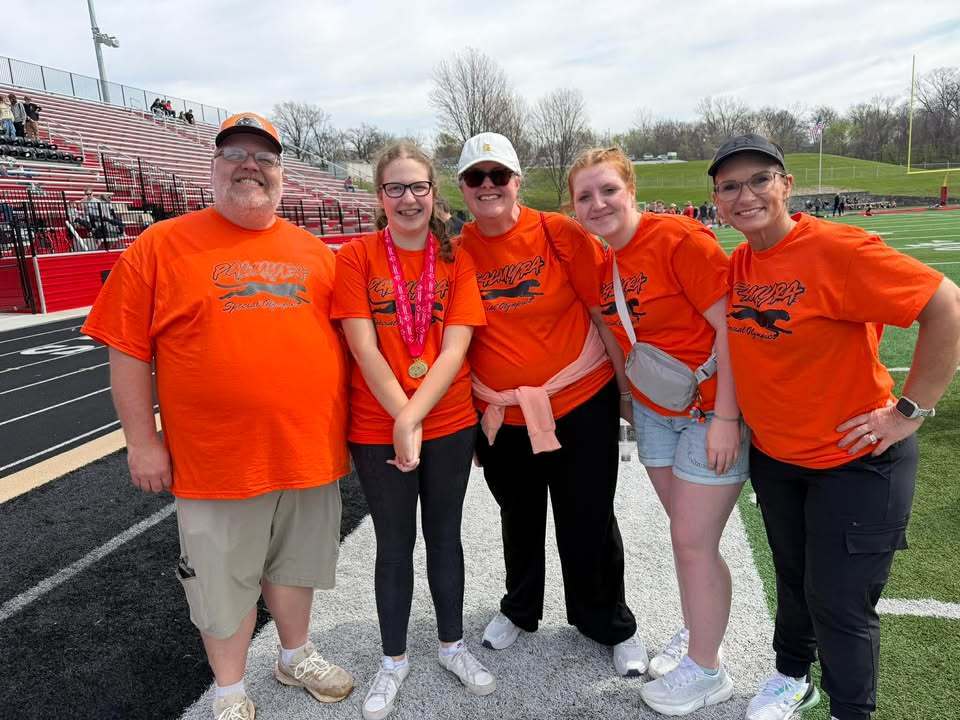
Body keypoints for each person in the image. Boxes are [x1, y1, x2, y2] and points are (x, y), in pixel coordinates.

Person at [81, 112, 355, 720]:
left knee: (295, 566)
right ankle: (230, 690)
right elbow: (127, 350)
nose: (249, 166)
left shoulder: (318, 254)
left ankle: (294, 655)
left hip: (308, 451)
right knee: (219, 581)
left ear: (283, 176)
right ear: (212, 168)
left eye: (264, 158)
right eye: (235, 154)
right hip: (215, 458)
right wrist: (141, 441)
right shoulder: (161, 245)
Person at [709, 133, 960, 720]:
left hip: (857, 462)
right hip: (778, 458)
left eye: (758, 180)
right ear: (717, 200)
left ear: (786, 186)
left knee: (841, 603)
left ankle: (853, 711)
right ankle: (793, 676)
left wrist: (909, 412)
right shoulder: (741, 262)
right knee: (793, 579)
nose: (744, 195)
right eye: (729, 186)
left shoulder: (838, 250)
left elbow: (945, 304)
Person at [455, 132, 647, 676]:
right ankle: (520, 608)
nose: (488, 186)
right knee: (518, 516)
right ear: (463, 188)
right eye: (476, 177)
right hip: (502, 412)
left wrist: (626, 392)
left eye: (499, 176)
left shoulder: (557, 231)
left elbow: (603, 311)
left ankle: (607, 619)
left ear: (517, 181)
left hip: (581, 398)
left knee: (588, 514)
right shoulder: (458, 248)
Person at [569, 146, 747, 715]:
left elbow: (734, 330)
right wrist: (626, 397)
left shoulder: (679, 240)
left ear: (631, 189)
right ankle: (700, 633)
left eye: (608, 191)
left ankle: (706, 668)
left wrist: (726, 417)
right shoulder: (602, 261)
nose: (598, 204)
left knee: (692, 541)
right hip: (654, 411)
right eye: (585, 196)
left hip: (707, 410)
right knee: (689, 537)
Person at [332, 141, 495, 720]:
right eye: (395, 188)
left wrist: (412, 418)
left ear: (434, 194)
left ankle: (452, 644)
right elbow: (362, 345)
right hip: (375, 425)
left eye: (418, 187)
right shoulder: (355, 258)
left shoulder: (456, 259)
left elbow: (454, 349)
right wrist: (399, 418)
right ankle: (393, 658)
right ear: (380, 197)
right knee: (394, 543)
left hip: (446, 420)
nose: (408, 198)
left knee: (445, 535)